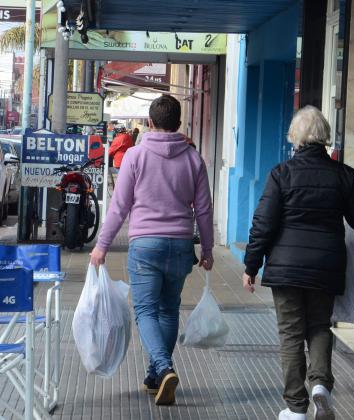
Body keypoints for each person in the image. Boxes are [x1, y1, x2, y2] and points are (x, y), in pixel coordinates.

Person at [242, 105, 354, 420]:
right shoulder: (344, 176)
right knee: (319, 326)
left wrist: (250, 266)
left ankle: (296, 407)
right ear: (324, 137)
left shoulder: (281, 174)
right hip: (326, 266)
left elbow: (263, 224)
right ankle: (320, 386)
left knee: (290, 333)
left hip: (286, 268)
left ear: (296, 137)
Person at [90, 94, 214, 406]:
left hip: (145, 244)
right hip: (181, 245)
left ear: (149, 122)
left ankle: (163, 367)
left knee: (145, 310)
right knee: (169, 310)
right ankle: (154, 375)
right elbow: (204, 210)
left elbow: (119, 207)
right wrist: (208, 249)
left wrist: (102, 246)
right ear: (179, 125)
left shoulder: (135, 155)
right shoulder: (193, 159)